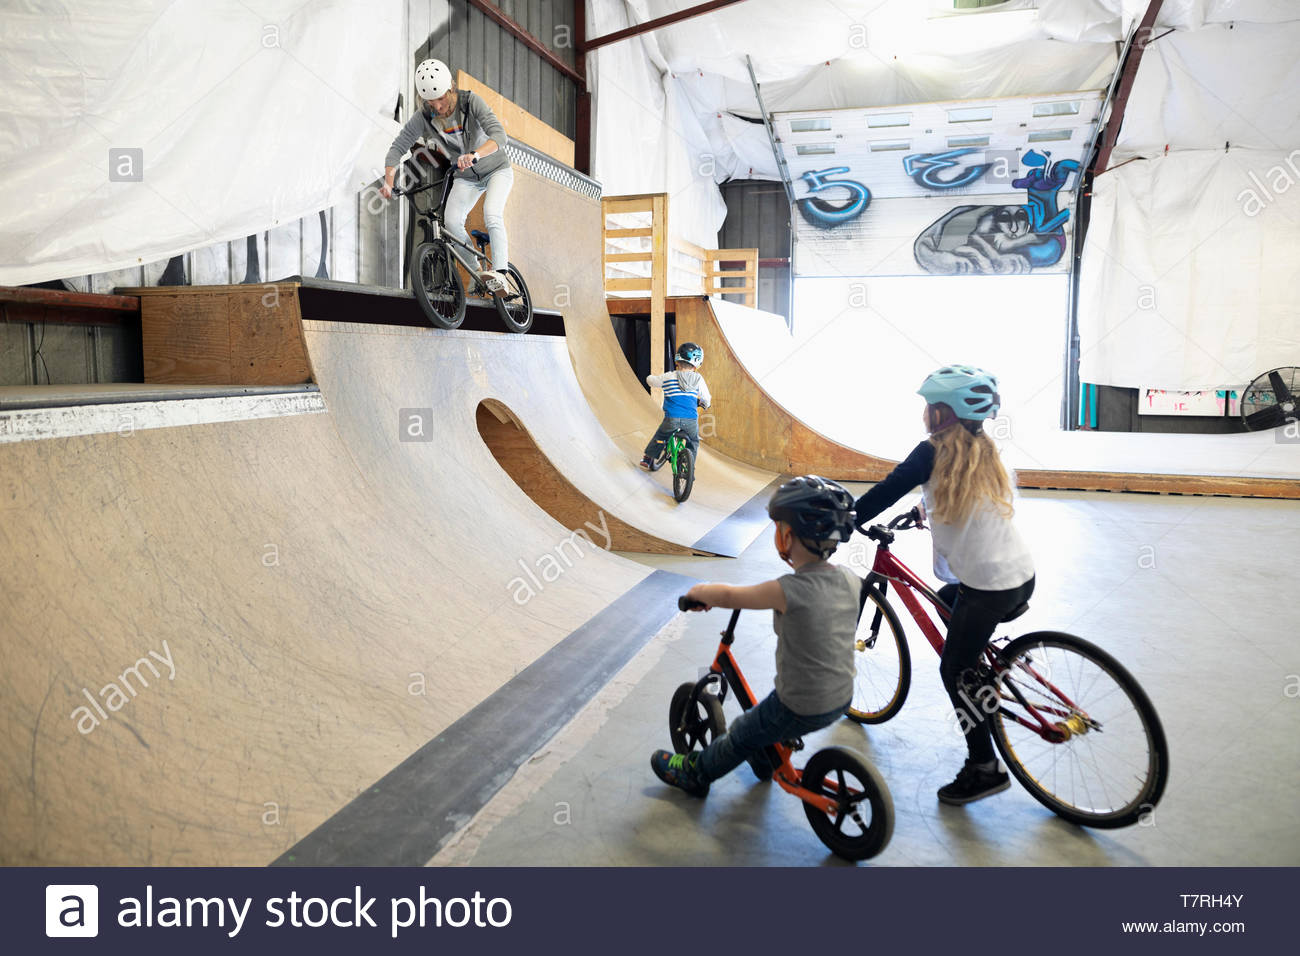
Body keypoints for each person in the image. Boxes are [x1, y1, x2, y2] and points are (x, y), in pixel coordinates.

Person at [853, 365, 1035, 806]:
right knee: (947, 600)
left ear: (940, 415)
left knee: (952, 670)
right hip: (1020, 577)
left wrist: (845, 520)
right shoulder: (984, 451)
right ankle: (981, 673)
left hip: (988, 587)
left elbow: (887, 489)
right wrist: (924, 509)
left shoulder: (929, 452)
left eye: (928, 407)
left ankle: (983, 768)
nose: (924, 414)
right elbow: (960, 491)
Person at [650, 476, 860, 797]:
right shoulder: (850, 579)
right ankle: (766, 760)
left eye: (778, 527)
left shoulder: (788, 590)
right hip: (841, 698)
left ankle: (695, 773)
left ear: (787, 535)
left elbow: (733, 596)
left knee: (739, 734)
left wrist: (699, 592)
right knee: (763, 720)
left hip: (798, 706)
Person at [380, 58, 512, 291]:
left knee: (491, 213)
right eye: (432, 103)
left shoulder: (472, 102)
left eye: (441, 99)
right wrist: (389, 182)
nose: (438, 107)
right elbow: (398, 147)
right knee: (450, 224)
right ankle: (477, 272)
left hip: (496, 170)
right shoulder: (423, 117)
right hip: (466, 178)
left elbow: (499, 136)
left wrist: (475, 155)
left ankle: (501, 274)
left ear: (451, 88)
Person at [639, 342, 711, 470]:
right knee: (693, 441)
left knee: (661, 436)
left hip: (671, 419)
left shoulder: (669, 376)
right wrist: (705, 404)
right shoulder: (698, 379)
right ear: (696, 364)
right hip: (690, 421)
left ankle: (648, 458)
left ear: (677, 360)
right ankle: (688, 466)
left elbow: (652, 381)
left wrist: (649, 377)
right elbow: (706, 398)